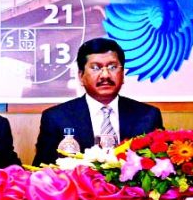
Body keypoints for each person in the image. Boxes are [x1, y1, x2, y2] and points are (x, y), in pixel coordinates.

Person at [32, 38, 163, 166]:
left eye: (112, 67)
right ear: (81, 76)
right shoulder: (56, 118)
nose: (105, 75)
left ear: (122, 74)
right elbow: (41, 172)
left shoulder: (148, 116)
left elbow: (161, 167)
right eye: (95, 68)